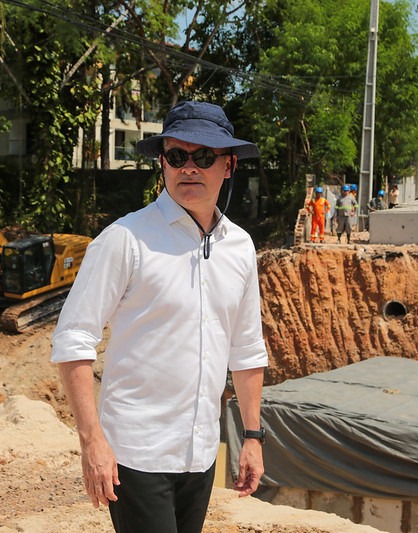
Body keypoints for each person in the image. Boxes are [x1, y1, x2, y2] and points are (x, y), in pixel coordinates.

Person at [51, 101, 269, 533]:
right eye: (176, 156)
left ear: (228, 166)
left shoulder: (240, 247)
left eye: (204, 156)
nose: (189, 167)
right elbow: (73, 339)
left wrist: (252, 437)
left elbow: (245, 349)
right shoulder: (124, 240)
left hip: (201, 452)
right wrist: (92, 441)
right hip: (136, 453)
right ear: (162, 164)